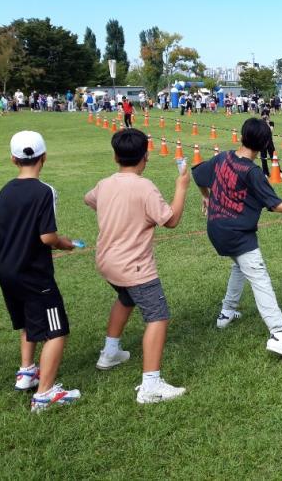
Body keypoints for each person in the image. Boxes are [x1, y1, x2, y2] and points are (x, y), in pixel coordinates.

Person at [193, 118, 282, 362]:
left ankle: (227, 311)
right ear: (265, 143)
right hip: (236, 232)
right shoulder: (252, 171)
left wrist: (207, 197)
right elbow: (275, 205)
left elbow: (198, 175)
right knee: (259, 277)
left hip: (216, 229)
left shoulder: (223, 157)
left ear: (242, 135)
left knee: (240, 266)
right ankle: (279, 335)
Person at [84, 128, 190, 404]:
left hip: (107, 262)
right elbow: (171, 220)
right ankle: (151, 384)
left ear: (115, 156)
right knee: (158, 316)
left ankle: (110, 352)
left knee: (125, 297)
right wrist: (181, 187)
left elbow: (90, 199)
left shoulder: (105, 183)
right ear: (146, 156)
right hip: (134, 267)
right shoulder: (144, 187)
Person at [0, 131, 81, 412]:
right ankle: (45, 394)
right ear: (44, 157)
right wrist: (65, 244)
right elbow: (47, 237)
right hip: (33, 273)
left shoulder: (5, 190)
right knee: (56, 331)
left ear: (13, 159)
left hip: (6, 270)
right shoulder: (44, 191)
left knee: (29, 322)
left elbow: (0, 230)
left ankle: (27, 371)